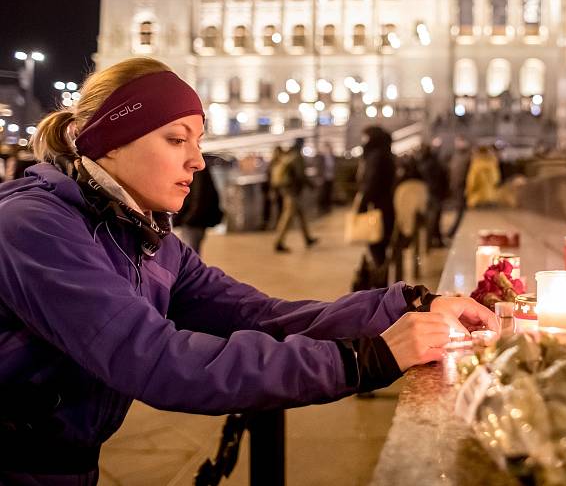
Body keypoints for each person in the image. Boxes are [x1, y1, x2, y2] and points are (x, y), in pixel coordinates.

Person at [0, 58, 498, 485]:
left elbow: (263, 316)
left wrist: (406, 306)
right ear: (109, 141)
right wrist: (367, 360)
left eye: (197, 140)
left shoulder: (146, 238)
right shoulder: (34, 228)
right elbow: (160, 362)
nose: (197, 160)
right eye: (176, 139)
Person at [357, 126, 395, 268]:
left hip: (378, 207)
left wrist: (362, 204)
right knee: (380, 246)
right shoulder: (385, 154)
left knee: (376, 245)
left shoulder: (376, 156)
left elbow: (371, 183)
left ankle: (380, 284)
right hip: (386, 207)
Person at [172, 155, 223, 255]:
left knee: (189, 255)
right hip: (195, 219)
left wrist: (189, 218)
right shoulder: (198, 169)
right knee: (191, 253)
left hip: (193, 221)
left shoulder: (196, 170)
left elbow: (198, 196)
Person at [273, 138, 317, 253]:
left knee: (300, 214)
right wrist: (311, 185)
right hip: (292, 191)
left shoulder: (290, 155)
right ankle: (279, 242)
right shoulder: (297, 157)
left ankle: (308, 238)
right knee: (288, 216)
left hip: (289, 189)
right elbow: (300, 175)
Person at [416, 143, 448, 248]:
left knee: (433, 219)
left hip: (431, 194)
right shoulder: (433, 162)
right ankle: (435, 241)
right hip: (435, 194)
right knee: (435, 219)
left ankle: (432, 242)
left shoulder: (423, 163)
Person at [446, 135, 472, 239]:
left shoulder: (468, 156)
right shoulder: (456, 156)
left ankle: (455, 232)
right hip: (457, 187)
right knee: (459, 211)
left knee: (461, 212)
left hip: (464, 188)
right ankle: (455, 232)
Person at [316, 141, 336, 215]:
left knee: (329, 193)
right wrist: (319, 177)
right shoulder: (321, 157)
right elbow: (318, 167)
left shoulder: (332, 156)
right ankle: (321, 209)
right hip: (323, 178)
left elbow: (335, 167)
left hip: (330, 177)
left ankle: (328, 208)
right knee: (322, 194)